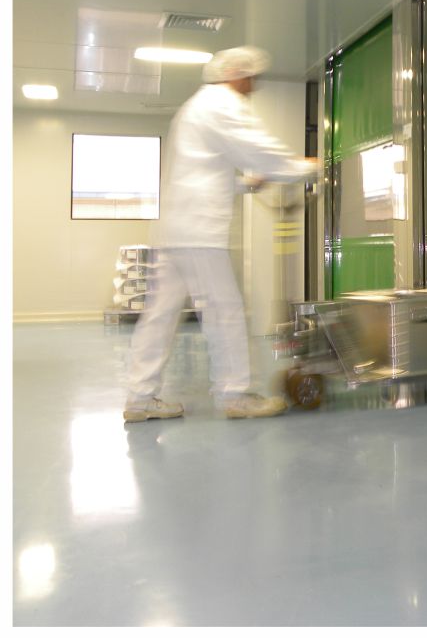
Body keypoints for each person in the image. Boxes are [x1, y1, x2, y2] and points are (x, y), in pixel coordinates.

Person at [124, 46, 319, 422]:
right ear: (236, 75)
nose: (253, 86)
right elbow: (257, 149)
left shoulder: (194, 107)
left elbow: (203, 170)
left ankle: (139, 398)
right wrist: (304, 166)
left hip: (175, 229)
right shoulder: (222, 104)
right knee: (224, 311)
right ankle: (236, 394)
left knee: (159, 315)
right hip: (199, 232)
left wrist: (246, 184)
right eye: (251, 78)